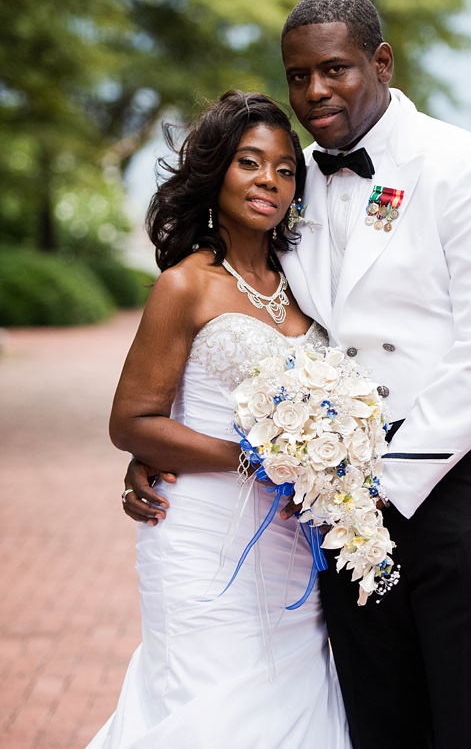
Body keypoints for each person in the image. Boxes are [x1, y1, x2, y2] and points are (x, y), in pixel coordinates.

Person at [124, 0, 471, 748]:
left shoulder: (465, 166)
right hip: (335, 504)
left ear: (381, 63)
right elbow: (247, 311)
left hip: (463, 482)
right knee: (378, 715)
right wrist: (169, 440)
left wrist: (383, 481)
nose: (315, 91)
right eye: (299, 76)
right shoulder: (296, 177)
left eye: (335, 70)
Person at [87, 90, 351, 749]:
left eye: (285, 169)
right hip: (200, 537)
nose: (269, 181)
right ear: (217, 172)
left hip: (290, 544)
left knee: (291, 705)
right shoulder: (186, 284)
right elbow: (132, 420)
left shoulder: (305, 284)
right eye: (249, 162)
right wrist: (260, 459)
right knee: (209, 710)